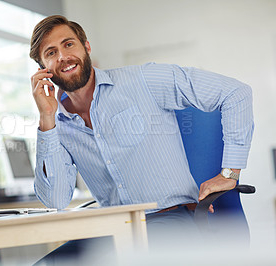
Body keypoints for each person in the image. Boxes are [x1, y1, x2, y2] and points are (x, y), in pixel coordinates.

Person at [29, 14, 254, 259]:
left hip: (170, 219)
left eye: (68, 44)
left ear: (86, 46)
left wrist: (230, 174)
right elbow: (56, 200)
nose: (62, 56)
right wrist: (47, 121)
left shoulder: (145, 80)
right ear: (43, 70)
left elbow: (236, 93)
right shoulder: (56, 125)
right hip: (114, 231)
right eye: (51, 53)